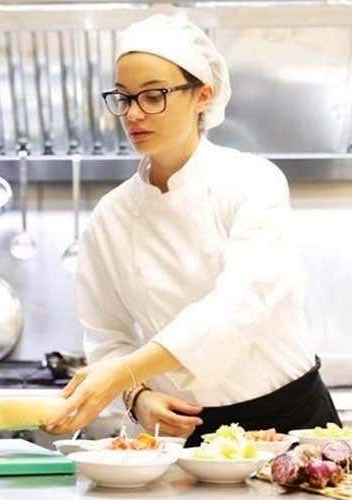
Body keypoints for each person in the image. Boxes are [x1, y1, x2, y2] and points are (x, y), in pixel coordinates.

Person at [45, 14, 340, 446]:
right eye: (124, 97)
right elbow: (106, 334)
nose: (133, 114)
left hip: (290, 422)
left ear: (203, 94)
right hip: (186, 437)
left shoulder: (253, 181)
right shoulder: (111, 216)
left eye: (153, 96)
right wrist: (137, 396)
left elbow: (239, 302)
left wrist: (125, 373)